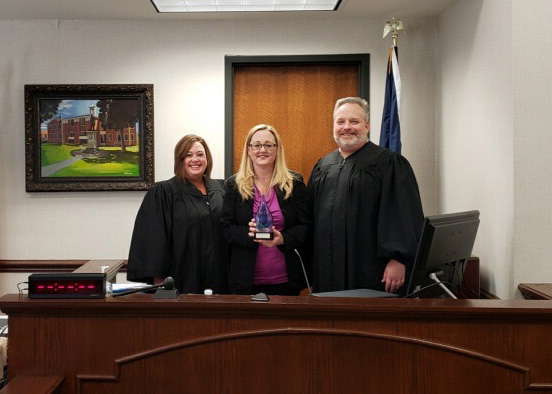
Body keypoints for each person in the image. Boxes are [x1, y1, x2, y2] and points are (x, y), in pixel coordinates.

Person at [307, 97, 424, 294]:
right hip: (327, 269)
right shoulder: (323, 166)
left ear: (367, 125)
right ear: (334, 126)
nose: (347, 127)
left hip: (372, 270)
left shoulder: (389, 163)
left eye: (354, 121)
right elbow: (309, 216)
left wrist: (399, 259)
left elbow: (403, 214)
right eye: (340, 122)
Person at [127, 135, 228, 294]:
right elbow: (154, 244)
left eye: (200, 154)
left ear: (207, 158)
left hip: (221, 281)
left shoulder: (222, 189)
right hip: (182, 281)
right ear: (179, 159)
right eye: (188, 155)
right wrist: (162, 288)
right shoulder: (164, 192)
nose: (195, 159)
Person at [221, 124, 310, 295]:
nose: (262, 150)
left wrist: (282, 239)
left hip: (286, 279)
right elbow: (226, 228)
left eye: (269, 145)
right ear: (248, 150)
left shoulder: (294, 183)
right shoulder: (234, 185)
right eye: (257, 145)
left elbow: (305, 227)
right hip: (245, 281)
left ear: (277, 149)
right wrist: (250, 233)